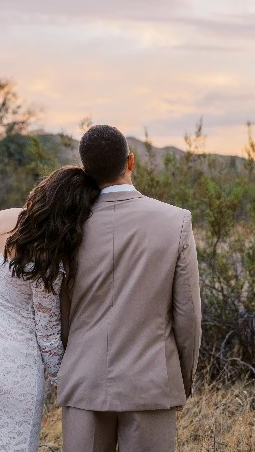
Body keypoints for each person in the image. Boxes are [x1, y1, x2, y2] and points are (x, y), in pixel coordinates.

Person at [57, 125, 202, 452]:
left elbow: (62, 311)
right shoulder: (175, 221)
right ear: (131, 162)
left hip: (84, 380)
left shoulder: (68, 225)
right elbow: (188, 315)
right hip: (151, 383)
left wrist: (73, 362)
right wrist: (182, 383)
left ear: (86, 171)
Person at [0, 166, 100, 452]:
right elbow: (48, 337)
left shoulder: (2, 219)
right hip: (14, 367)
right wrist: (66, 384)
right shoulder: (47, 261)